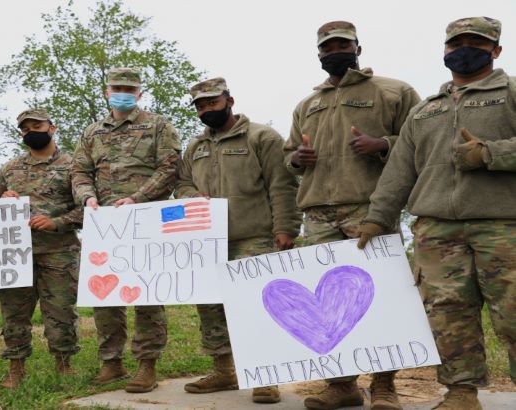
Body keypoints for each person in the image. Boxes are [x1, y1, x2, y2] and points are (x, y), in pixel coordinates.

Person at [359, 17, 515, 410]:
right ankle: (461, 393)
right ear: (444, 51)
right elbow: (399, 171)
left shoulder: (511, 93)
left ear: (495, 50)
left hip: (503, 226)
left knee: (513, 315)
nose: (464, 49)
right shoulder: (425, 110)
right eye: (456, 43)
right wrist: (377, 216)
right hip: (435, 231)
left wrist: (492, 153)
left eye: (475, 43)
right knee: (448, 317)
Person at [282, 20, 421, 410]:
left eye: (342, 44)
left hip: (369, 208)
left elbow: (420, 144)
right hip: (317, 215)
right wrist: (296, 158)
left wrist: (383, 144)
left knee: (381, 299)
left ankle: (384, 386)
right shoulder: (306, 104)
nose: (334, 52)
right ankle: (342, 386)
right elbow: (287, 156)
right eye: (327, 47)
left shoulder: (393, 91)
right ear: (319, 54)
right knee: (327, 307)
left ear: (358, 48)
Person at [175, 77, 301, 403]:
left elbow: (282, 185)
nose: (206, 110)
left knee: (256, 305)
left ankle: (266, 375)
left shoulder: (262, 137)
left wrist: (285, 228)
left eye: (212, 103)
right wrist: (192, 196)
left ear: (230, 100)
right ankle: (224, 370)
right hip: (209, 241)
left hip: (256, 235)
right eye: (200, 106)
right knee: (212, 307)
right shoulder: (195, 148)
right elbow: (182, 185)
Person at [72, 67, 181, 393]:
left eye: (129, 89)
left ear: (139, 94)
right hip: (104, 225)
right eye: (117, 88)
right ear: (107, 92)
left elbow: (170, 166)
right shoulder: (92, 133)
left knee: (146, 294)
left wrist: (138, 197)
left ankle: (147, 364)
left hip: (145, 221)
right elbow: (79, 171)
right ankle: (111, 362)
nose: (123, 93)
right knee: (104, 296)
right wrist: (87, 197)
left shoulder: (158, 125)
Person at [0, 108, 82, 388]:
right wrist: (2, 199)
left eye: (37, 125)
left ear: (52, 128)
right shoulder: (9, 169)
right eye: (25, 128)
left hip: (60, 252)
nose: (31, 131)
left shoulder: (73, 166)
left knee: (61, 312)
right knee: (14, 313)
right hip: (16, 254)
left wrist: (57, 222)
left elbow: (88, 208)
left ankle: (64, 364)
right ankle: (16, 368)